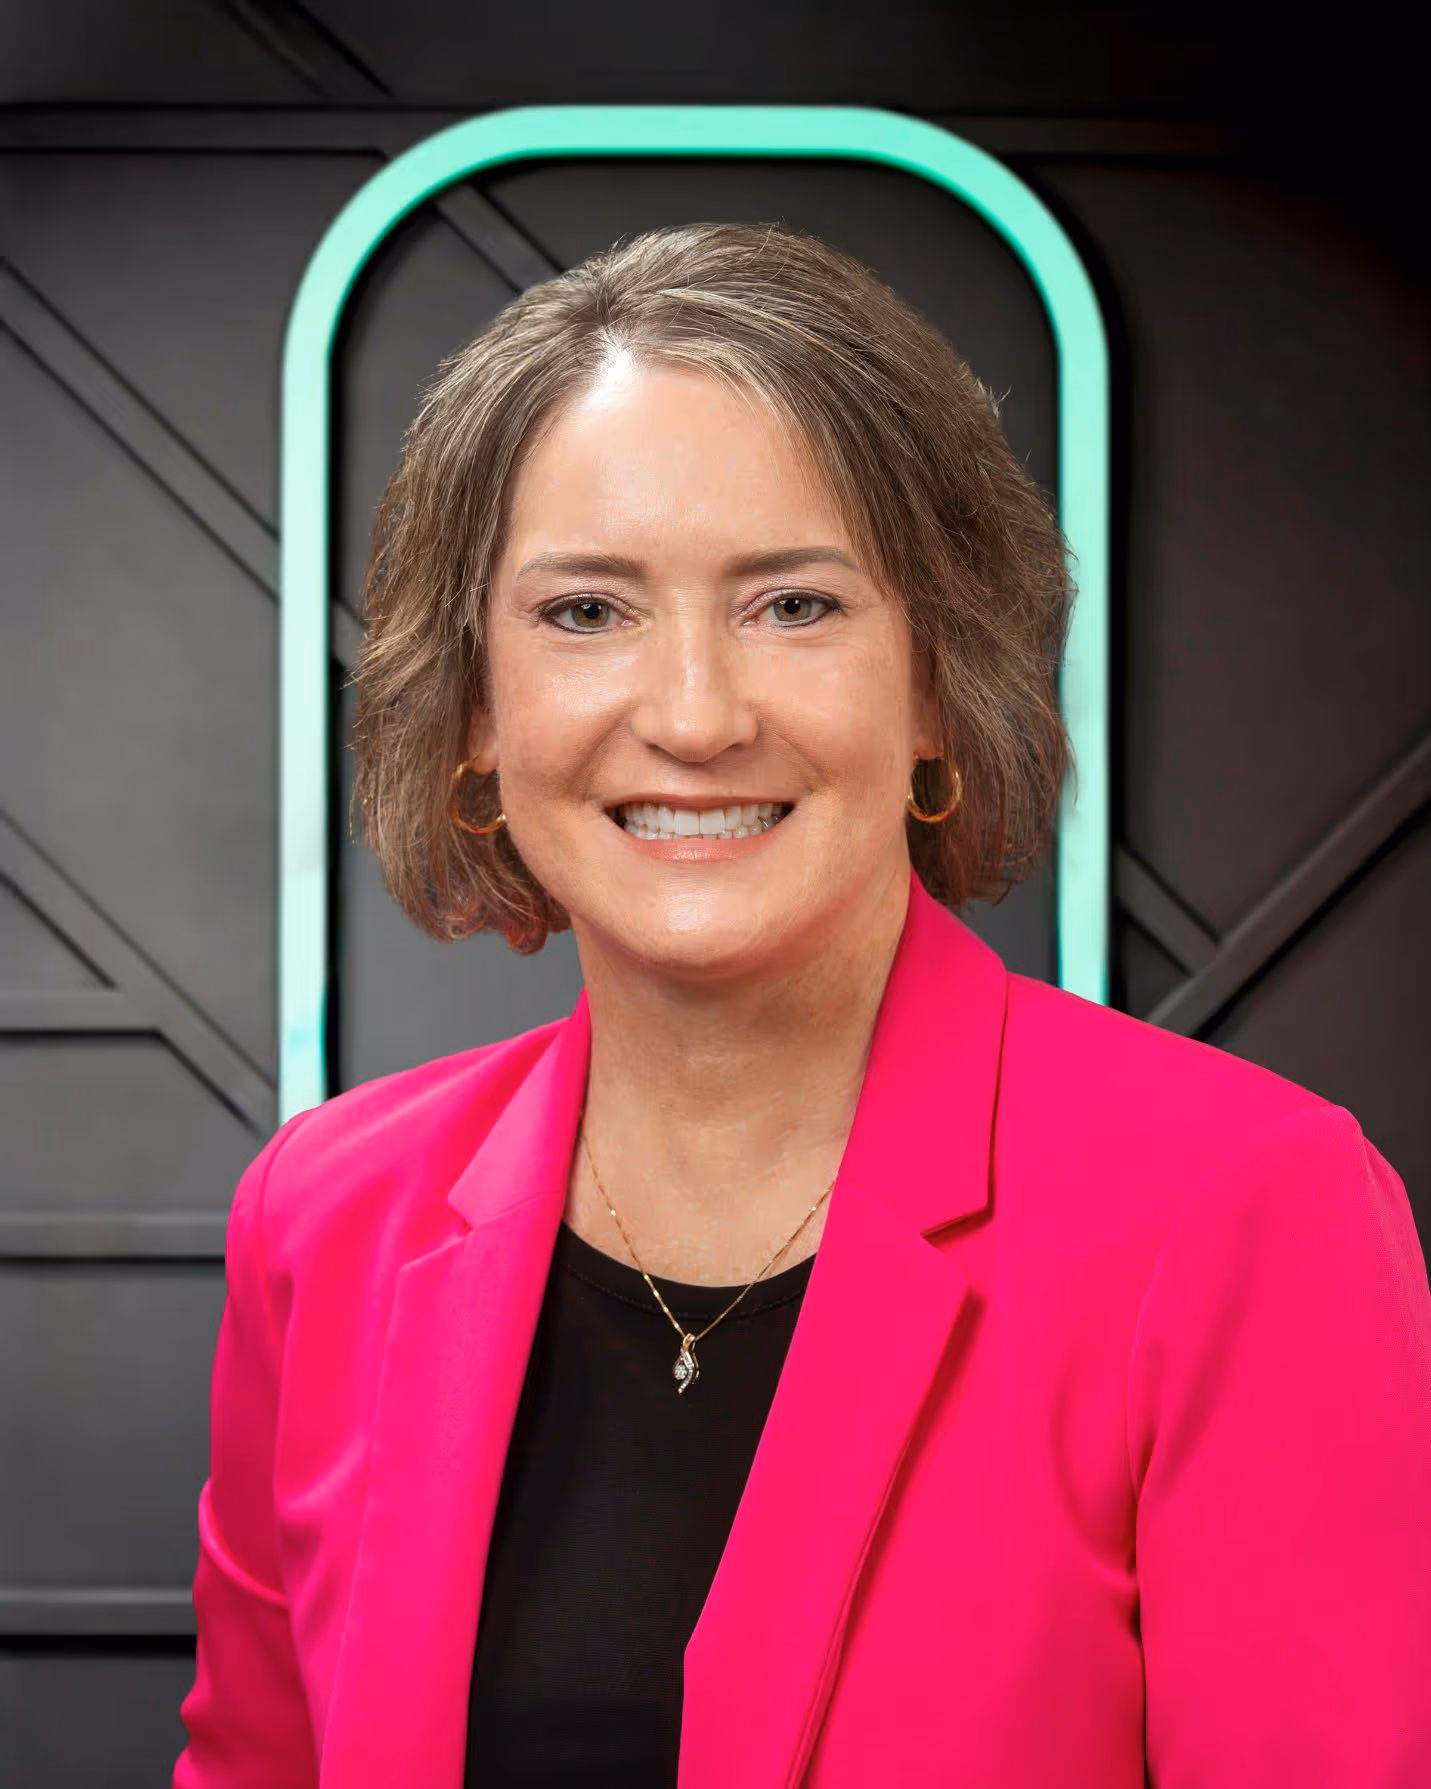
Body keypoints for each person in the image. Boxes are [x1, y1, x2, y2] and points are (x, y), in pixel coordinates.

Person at [173, 222, 1431, 1789]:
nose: (693, 713)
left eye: (793, 606)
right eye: (585, 612)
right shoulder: (326, 1215)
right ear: (475, 711)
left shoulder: (1239, 1208)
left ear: (935, 683)